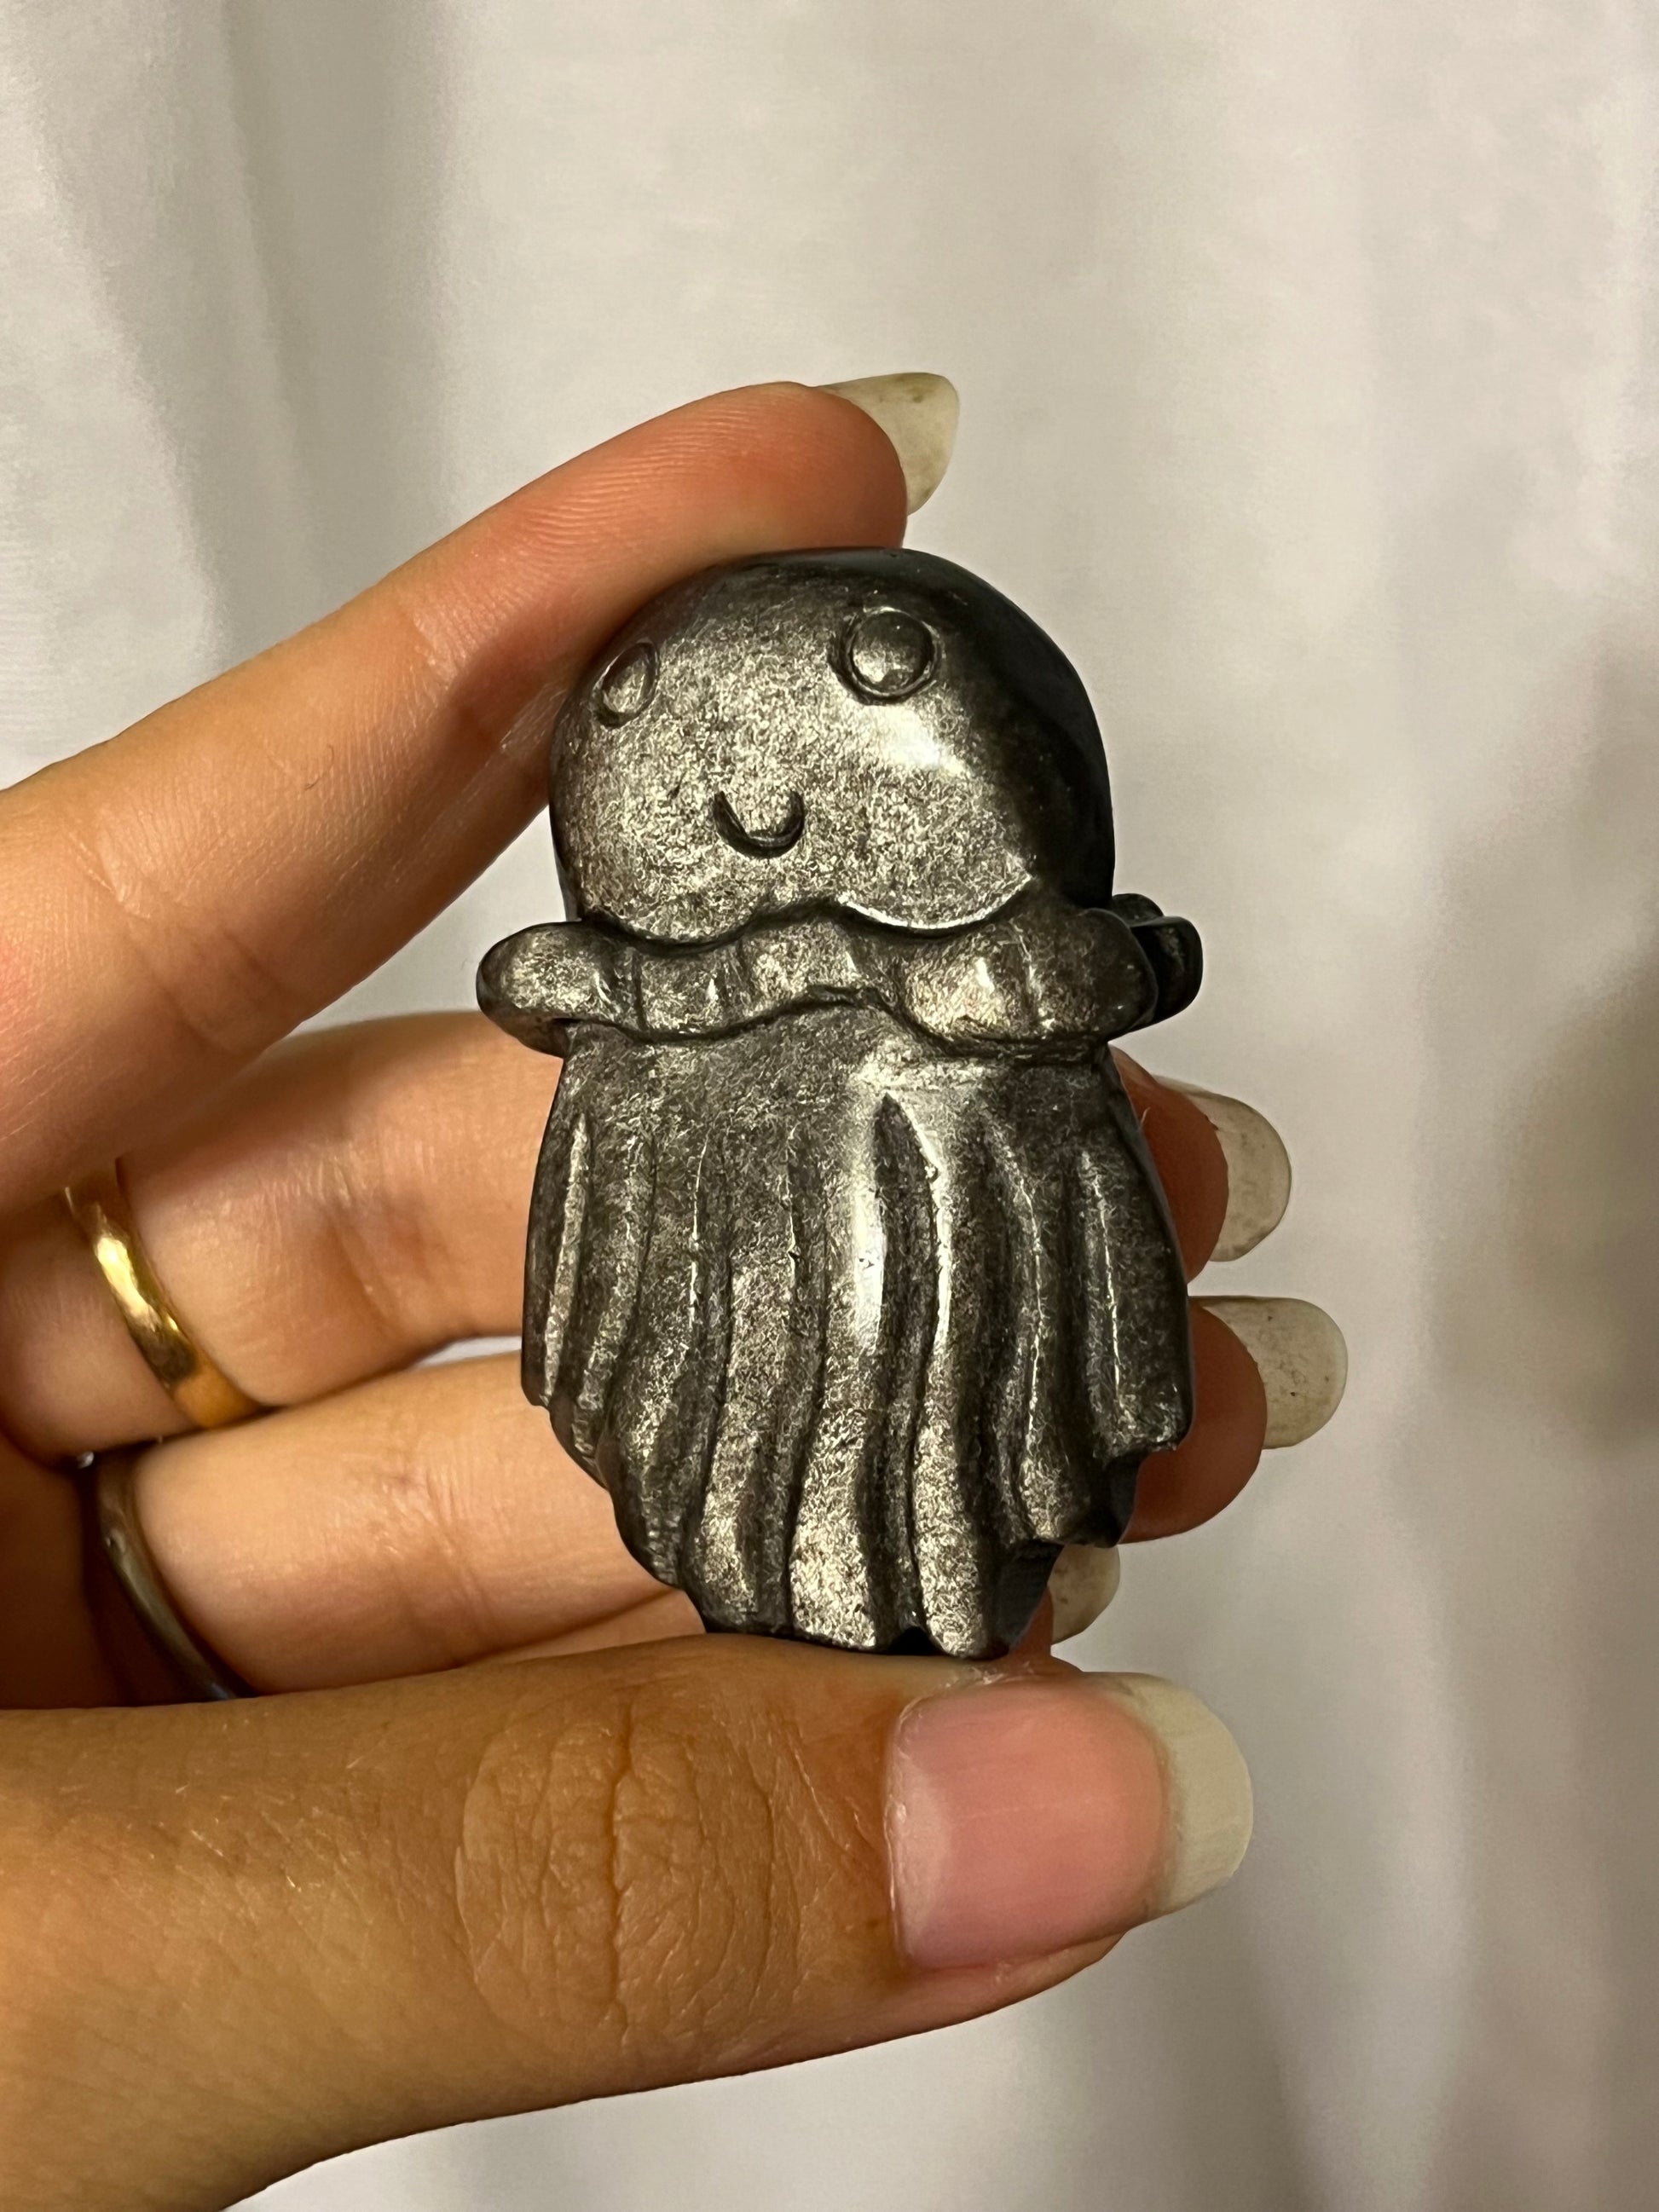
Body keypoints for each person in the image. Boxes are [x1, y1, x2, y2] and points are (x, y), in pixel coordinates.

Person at [0, 378, 1338, 2211]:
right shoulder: (636, 1050)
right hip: (690, 1226)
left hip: (957, 1176)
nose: (757, 803)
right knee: (743, 1443)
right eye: (642, 724)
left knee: (981, 1434)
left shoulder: (988, 1026)